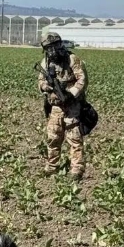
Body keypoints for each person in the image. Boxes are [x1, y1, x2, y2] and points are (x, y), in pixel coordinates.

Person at [38, 32, 88, 180]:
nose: (52, 50)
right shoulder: (45, 62)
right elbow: (40, 82)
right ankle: (52, 167)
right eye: (49, 48)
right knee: (53, 137)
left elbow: (82, 80)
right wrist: (47, 86)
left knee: (74, 138)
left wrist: (70, 93)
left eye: (54, 46)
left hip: (72, 106)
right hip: (55, 107)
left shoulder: (72, 59)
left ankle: (76, 170)